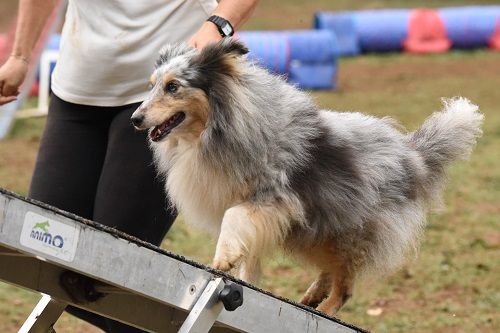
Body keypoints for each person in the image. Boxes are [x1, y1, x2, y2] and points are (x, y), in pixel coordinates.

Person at [0, 0, 258, 331]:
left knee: (113, 273)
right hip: (79, 87)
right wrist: (20, 56)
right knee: (48, 260)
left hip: (164, 94)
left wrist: (217, 25)